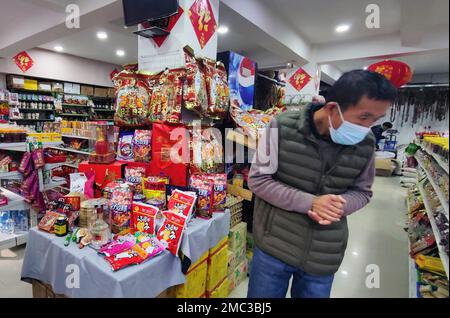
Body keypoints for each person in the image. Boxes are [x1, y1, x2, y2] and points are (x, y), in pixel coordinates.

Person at [247, 70, 398, 298]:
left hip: (324, 252)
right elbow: (259, 180)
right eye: (363, 117)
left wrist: (339, 205)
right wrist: (311, 202)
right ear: (331, 108)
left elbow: (362, 192)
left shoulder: (366, 143)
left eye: (375, 120)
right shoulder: (282, 127)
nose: (367, 127)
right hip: (274, 244)